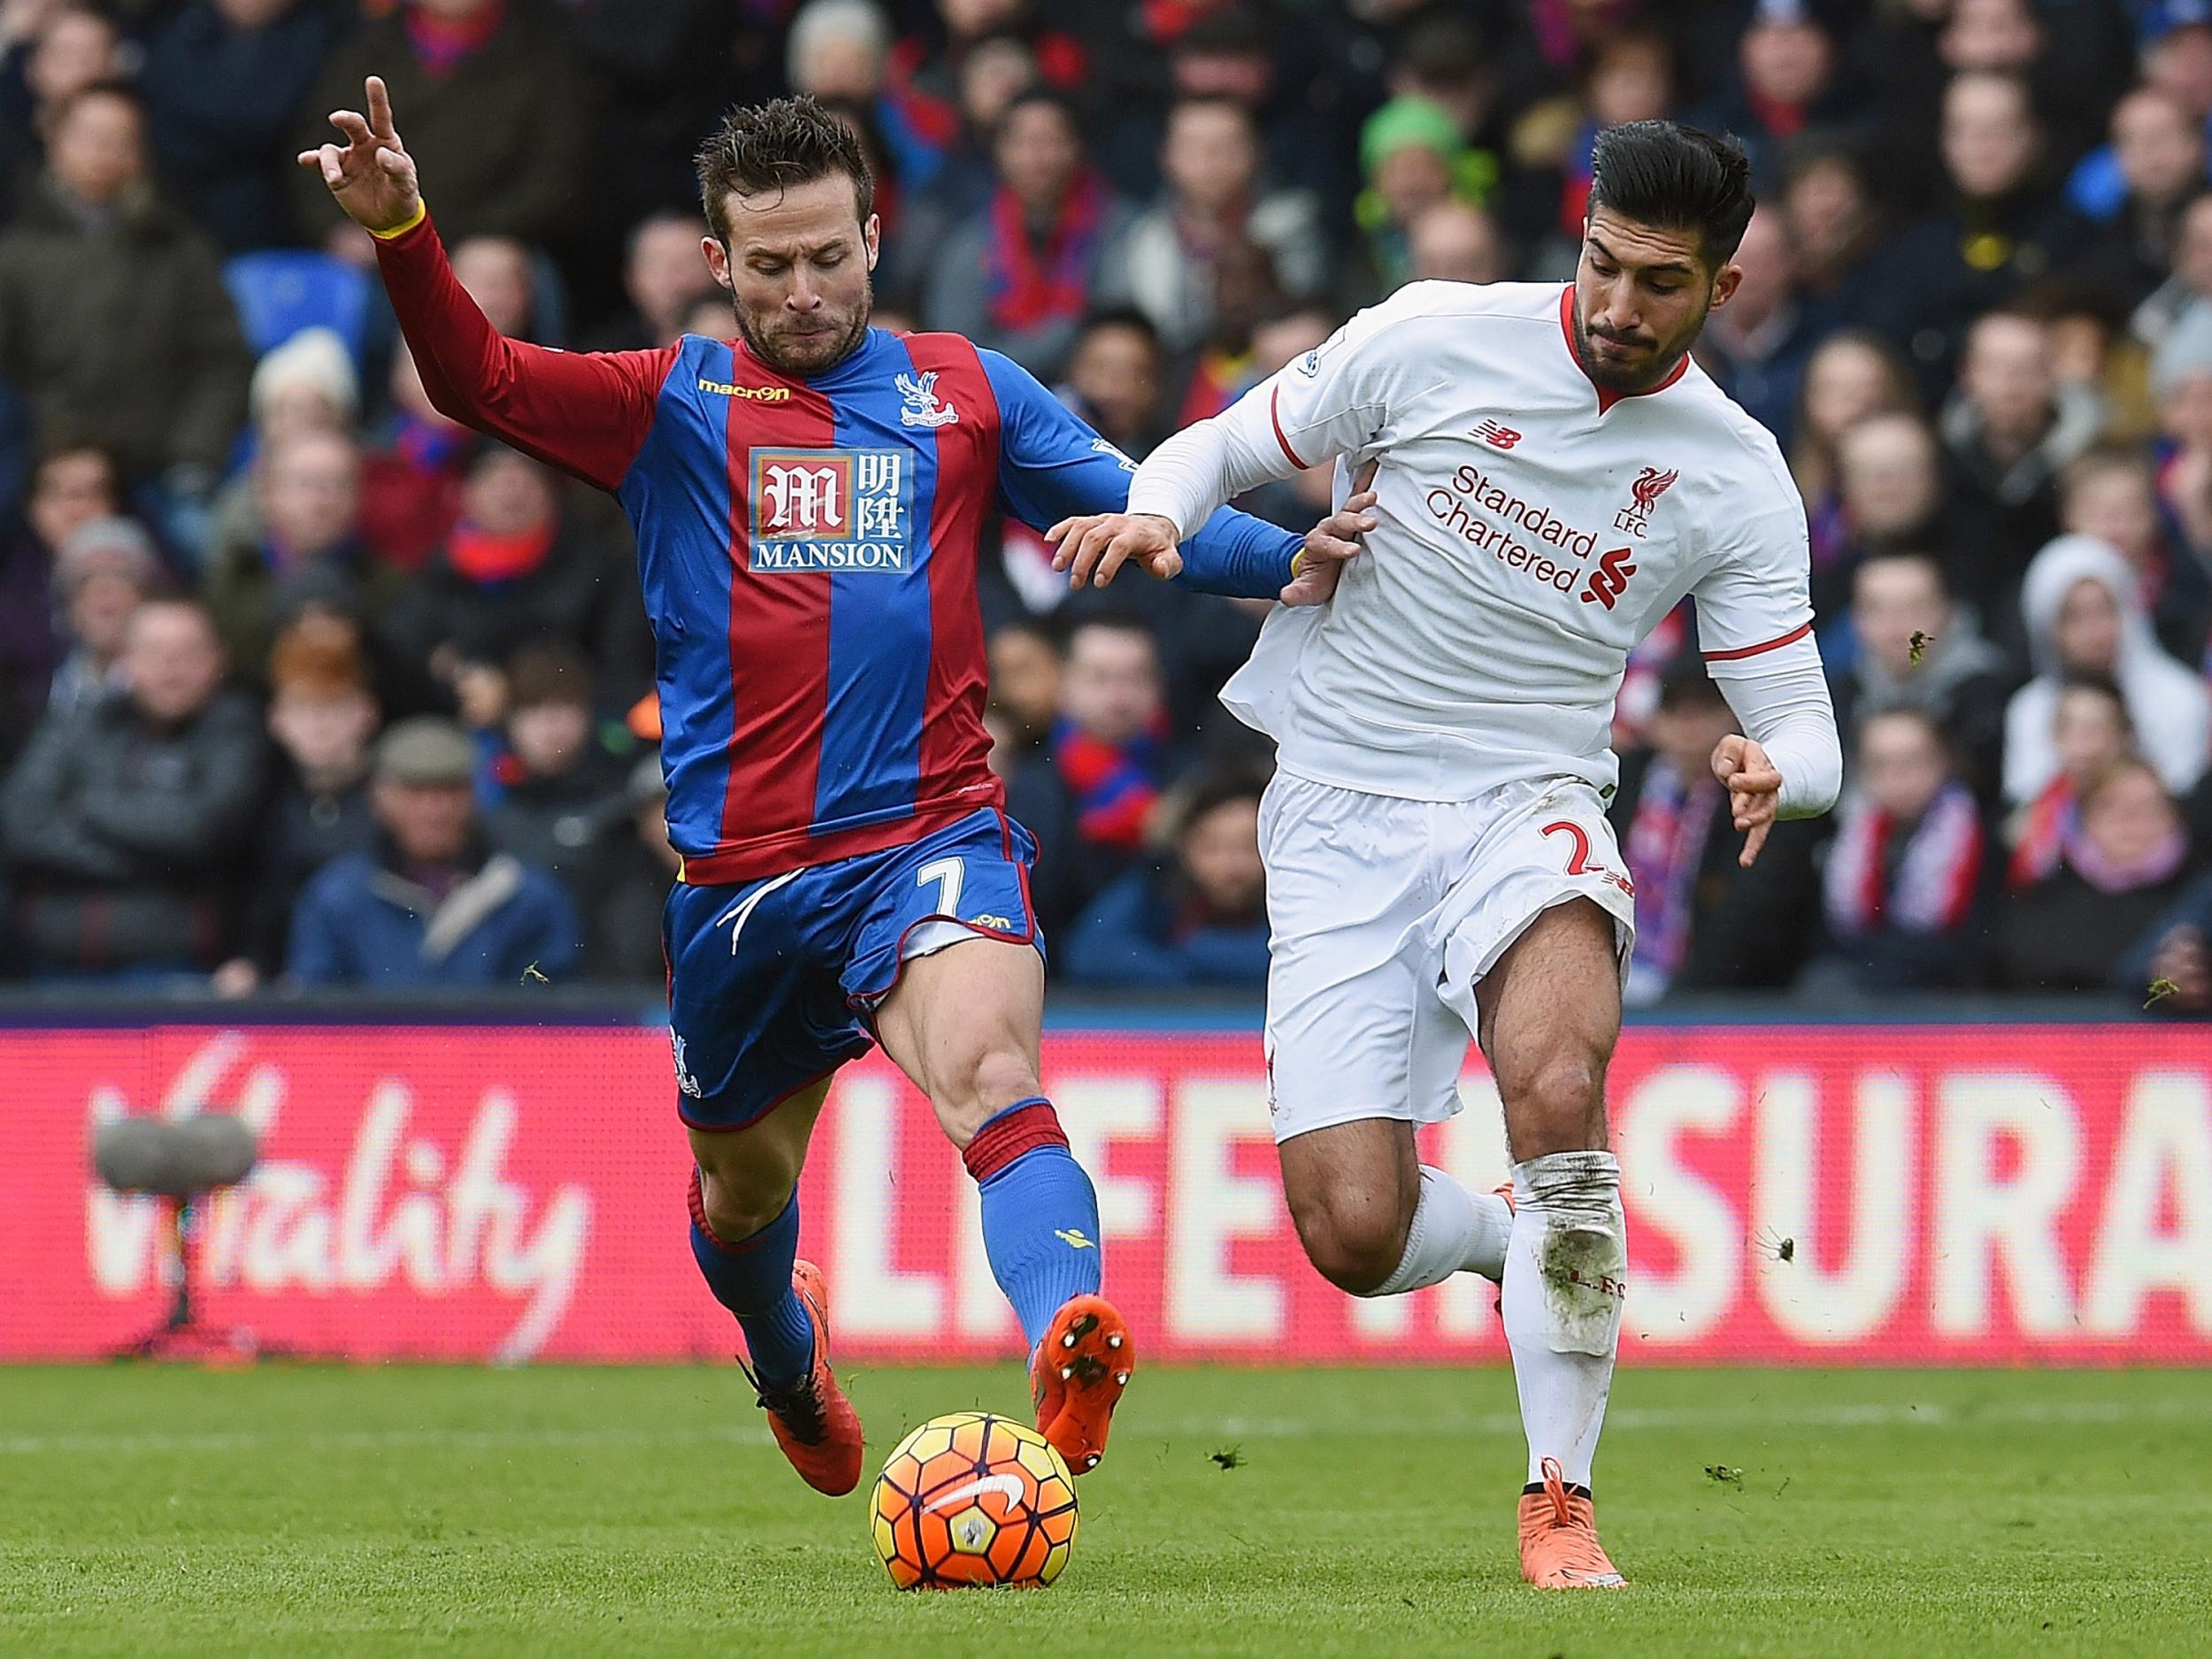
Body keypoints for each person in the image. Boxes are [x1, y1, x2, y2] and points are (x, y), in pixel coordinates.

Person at [302, 82, 1367, 1496]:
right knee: (739, 1198)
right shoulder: (670, 403)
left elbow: (1141, 507)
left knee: (991, 1074)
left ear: (875, 235)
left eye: (828, 257)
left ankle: (1069, 1339)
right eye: (771, 265)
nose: (804, 292)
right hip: (742, 883)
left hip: (930, 832)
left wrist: (1293, 556)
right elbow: (479, 380)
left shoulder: (969, 389)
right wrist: (405, 233)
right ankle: (788, 1356)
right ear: (716, 264)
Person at [1048, 120, 1841, 1588]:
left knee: (1557, 1086)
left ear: (1721, 288)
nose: (1617, 304)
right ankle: (1513, 1248)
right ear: (1578, 233)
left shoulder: (1732, 473)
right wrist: (1162, 504)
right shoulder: (1428, 338)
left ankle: (1560, 1500)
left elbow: (1811, 732)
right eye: (1604, 263)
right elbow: (1224, 438)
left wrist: (1769, 770)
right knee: (1352, 1232)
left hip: (1527, 803)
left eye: (1659, 284)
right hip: (1340, 812)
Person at [0, 81, 251, 491]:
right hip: (43, 473)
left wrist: (194, 454)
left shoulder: (178, 247)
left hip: (162, 467)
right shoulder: (15, 254)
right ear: (55, 141)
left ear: (140, 153)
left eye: (122, 139)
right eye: (91, 136)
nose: (105, 152)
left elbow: (223, 361)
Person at [0, 599, 265, 980]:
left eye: (187, 652)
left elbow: (199, 832)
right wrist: (152, 860)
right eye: (155, 652)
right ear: (126, 660)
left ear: (217, 659)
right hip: (54, 967)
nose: (171, 668)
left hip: (176, 969)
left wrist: (82, 807)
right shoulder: (78, 725)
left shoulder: (238, 730)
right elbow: (21, 824)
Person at [287, 715, 580, 986]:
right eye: (414, 792)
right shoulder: (338, 899)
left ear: (474, 796)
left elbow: (552, 1014)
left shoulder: (525, 896)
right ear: (379, 797)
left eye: (449, 791)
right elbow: (317, 1012)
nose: (433, 811)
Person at [1612, 655, 1824, 1003]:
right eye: (1675, 710)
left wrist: (1685, 996)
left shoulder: (1763, 787)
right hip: (1620, 976)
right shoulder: (1623, 778)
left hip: (1723, 998)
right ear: (1655, 721)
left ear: (1732, 717)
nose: (1688, 725)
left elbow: (1755, 911)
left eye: (1704, 709)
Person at [214, 614, 380, 993]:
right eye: (304, 708)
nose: (320, 724)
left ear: (367, 714)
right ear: (278, 720)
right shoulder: (258, 802)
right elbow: (257, 904)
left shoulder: (390, 803)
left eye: (336, 706)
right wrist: (252, 964)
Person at [2002, 534, 2209, 806]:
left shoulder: (2181, 699)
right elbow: (2026, 818)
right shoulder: (2029, 711)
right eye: (2073, 617)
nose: (2094, 632)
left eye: (2104, 610)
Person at [1817, 707, 1990, 992]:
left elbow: (1974, 949)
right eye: (1880, 765)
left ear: (1944, 761)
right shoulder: (1847, 835)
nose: (1897, 777)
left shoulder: (1983, 837)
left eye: (1912, 762)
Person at [1995, 757, 2195, 991]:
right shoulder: (2042, 900)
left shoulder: (2199, 899)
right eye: (2110, 806)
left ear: (2173, 818)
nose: (2128, 820)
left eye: (2147, 807)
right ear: (2085, 819)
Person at [1062, 766, 1270, 987]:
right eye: (1212, 847)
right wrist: (1184, 971)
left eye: (1249, 846)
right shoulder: (1157, 888)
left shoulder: (1295, 893)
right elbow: (1091, 953)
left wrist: (1195, 952)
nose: (1231, 866)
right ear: (1183, 845)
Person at [1829, 553, 2010, 800]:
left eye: (1914, 608)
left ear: (1946, 610)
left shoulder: (1992, 696)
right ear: (1855, 619)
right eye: (1877, 609)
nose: (1895, 626)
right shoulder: (1839, 696)